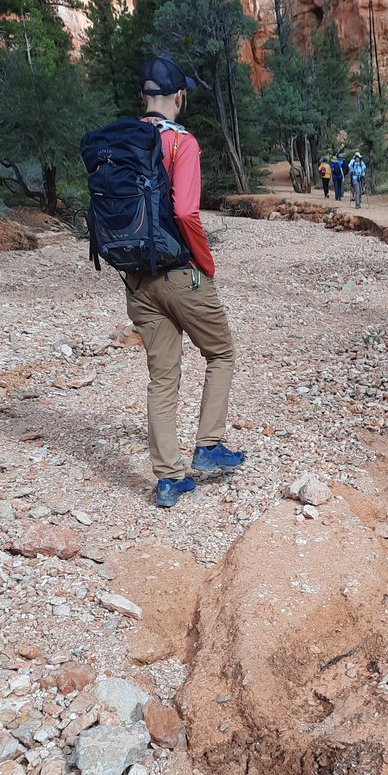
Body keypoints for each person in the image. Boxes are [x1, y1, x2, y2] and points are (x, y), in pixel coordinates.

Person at [126, 56, 244, 507]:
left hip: (137, 280)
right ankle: (209, 447)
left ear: (144, 96)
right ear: (179, 97)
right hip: (180, 274)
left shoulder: (122, 141)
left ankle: (170, 478)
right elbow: (184, 212)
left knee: (162, 377)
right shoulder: (182, 143)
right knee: (221, 353)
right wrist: (206, 263)